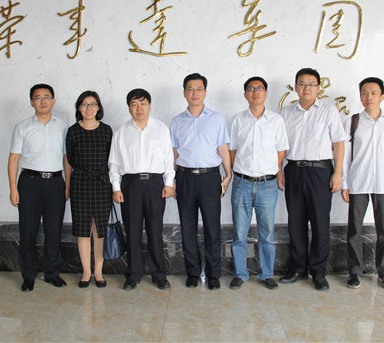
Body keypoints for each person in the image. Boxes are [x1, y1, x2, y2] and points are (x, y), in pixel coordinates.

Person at [280, 68, 347, 291]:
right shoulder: (286, 113)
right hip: (294, 171)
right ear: (296, 87)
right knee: (296, 222)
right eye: (302, 83)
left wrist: (338, 173)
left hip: (320, 172)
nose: (306, 88)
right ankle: (298, 268)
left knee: (320, 223)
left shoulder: (329, 111)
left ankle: (318, 271)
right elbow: (280, 146)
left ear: (318, 88)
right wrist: (279, 170)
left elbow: (338, 143)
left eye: (311, 84)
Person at [108, 88, 175, 291]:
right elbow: (114, 163)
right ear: (129, 107)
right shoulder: (121, 131)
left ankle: (159, 274)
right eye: (134, 104)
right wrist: (116, 187)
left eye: (143, 103)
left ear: (150, 105)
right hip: (131, 185)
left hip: (155, 184)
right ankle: (133, 274)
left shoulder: (161, 129)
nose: (139, 108)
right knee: (133, 231)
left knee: (155, 231)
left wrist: (169, 183)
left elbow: (168, 158)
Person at [171, 73, 232, 290]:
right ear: (184, 93)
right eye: (190, 89)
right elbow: (174, 153)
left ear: (205, 92)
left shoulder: (216, 119)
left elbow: (223, 148)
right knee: (187, 227)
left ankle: (214, 274)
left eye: (198, 89)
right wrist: (172, 179)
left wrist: (228, 175)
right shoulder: (177, 121)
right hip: (185, 178)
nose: (194, 93)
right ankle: (193, 273)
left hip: (209, 178)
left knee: (212, 228)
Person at [228, 76, 289, 291]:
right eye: (251, 88)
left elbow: (281, 150)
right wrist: (237, 172)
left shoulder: (276, 120)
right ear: (245, 94)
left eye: (259, 88)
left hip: (267, 185)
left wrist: (275, 170)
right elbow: (232, 150)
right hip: (242, 183)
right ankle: (240, 273)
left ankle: (266, 274)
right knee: (239, 233)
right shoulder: (237, 120)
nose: (255, 92)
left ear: (266, 93)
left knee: (267, 234)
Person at [8, 83, 70, 291]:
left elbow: (66, 158)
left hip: (55, 183)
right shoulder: (22, 127)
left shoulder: (62, 127)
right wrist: (13, 188)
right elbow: (14, 158)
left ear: (53, 100)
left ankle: (52, 273)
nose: (43, 101)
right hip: (29, 183)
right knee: (28, 231)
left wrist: (67, 185)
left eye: (46, 97)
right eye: (38, 97)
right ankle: (28, 276)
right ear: (31, 102)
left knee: (54, 231)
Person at [342, 77, 384, 289]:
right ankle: (355, 272)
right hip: (358, 181)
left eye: (374, 93)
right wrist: (345, 183)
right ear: (360, 96)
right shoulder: (353, 122)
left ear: (382, 96)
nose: (369, 97)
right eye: (365, 93)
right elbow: (345, 155)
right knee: (354, 230)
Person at [65, 91, 113, 289]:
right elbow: (69, 160)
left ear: (98, 108)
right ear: (79, 108)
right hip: (80, 183)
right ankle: (86, 272)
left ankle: (99, 272)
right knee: (82, 229)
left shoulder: (106, 130)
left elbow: (112, 160)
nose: (89, 108)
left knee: (99, 229)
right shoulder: (73, 131)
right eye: (85, 104)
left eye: (93, 104)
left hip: (102, 183)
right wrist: (67, 186)